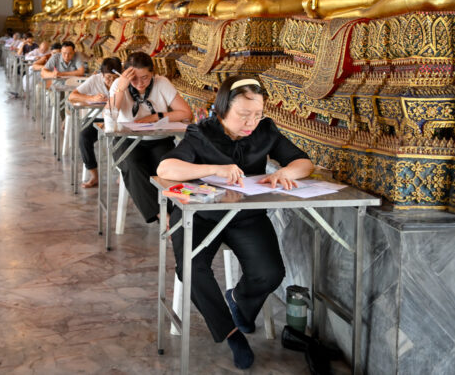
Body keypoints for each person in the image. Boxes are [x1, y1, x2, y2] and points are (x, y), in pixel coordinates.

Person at [156, 76, 314, 370]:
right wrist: (214, 169)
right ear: (222, 109)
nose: (251, 122)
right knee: (191, 267)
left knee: (270, 273)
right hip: (199, 215)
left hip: (244, 215)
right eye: (243, 115)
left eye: (257, 114)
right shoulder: (202, 132)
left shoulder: (265, 131)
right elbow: (166, 167)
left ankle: (239, 299)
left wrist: (286, 173)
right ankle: (231, 333)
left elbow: (303, 162)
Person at [108, 51, 192, 223]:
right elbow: (110, 115)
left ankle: (176, 218)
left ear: (153, 73)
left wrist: (155, 117)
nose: (140, 83)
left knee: (169, 168)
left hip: (159, 140)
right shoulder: (119, 84)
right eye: (134, 79)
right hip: (127, 141)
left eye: (145, 77)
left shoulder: (162, 83)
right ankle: (164, 217)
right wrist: (122, 87)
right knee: (133, 165)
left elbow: (186, 113)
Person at [68, 57, 123, 188]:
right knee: (84, 136)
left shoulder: (123, 82)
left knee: (123, 139)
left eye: (115, 78)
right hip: (97, 117)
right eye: (108, 77)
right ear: (101, 75)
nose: (112, 81)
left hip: (119, 119)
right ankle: (93, 174)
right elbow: (72, 96)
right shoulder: (94, 80)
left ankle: (122, 173)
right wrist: (91, 97)